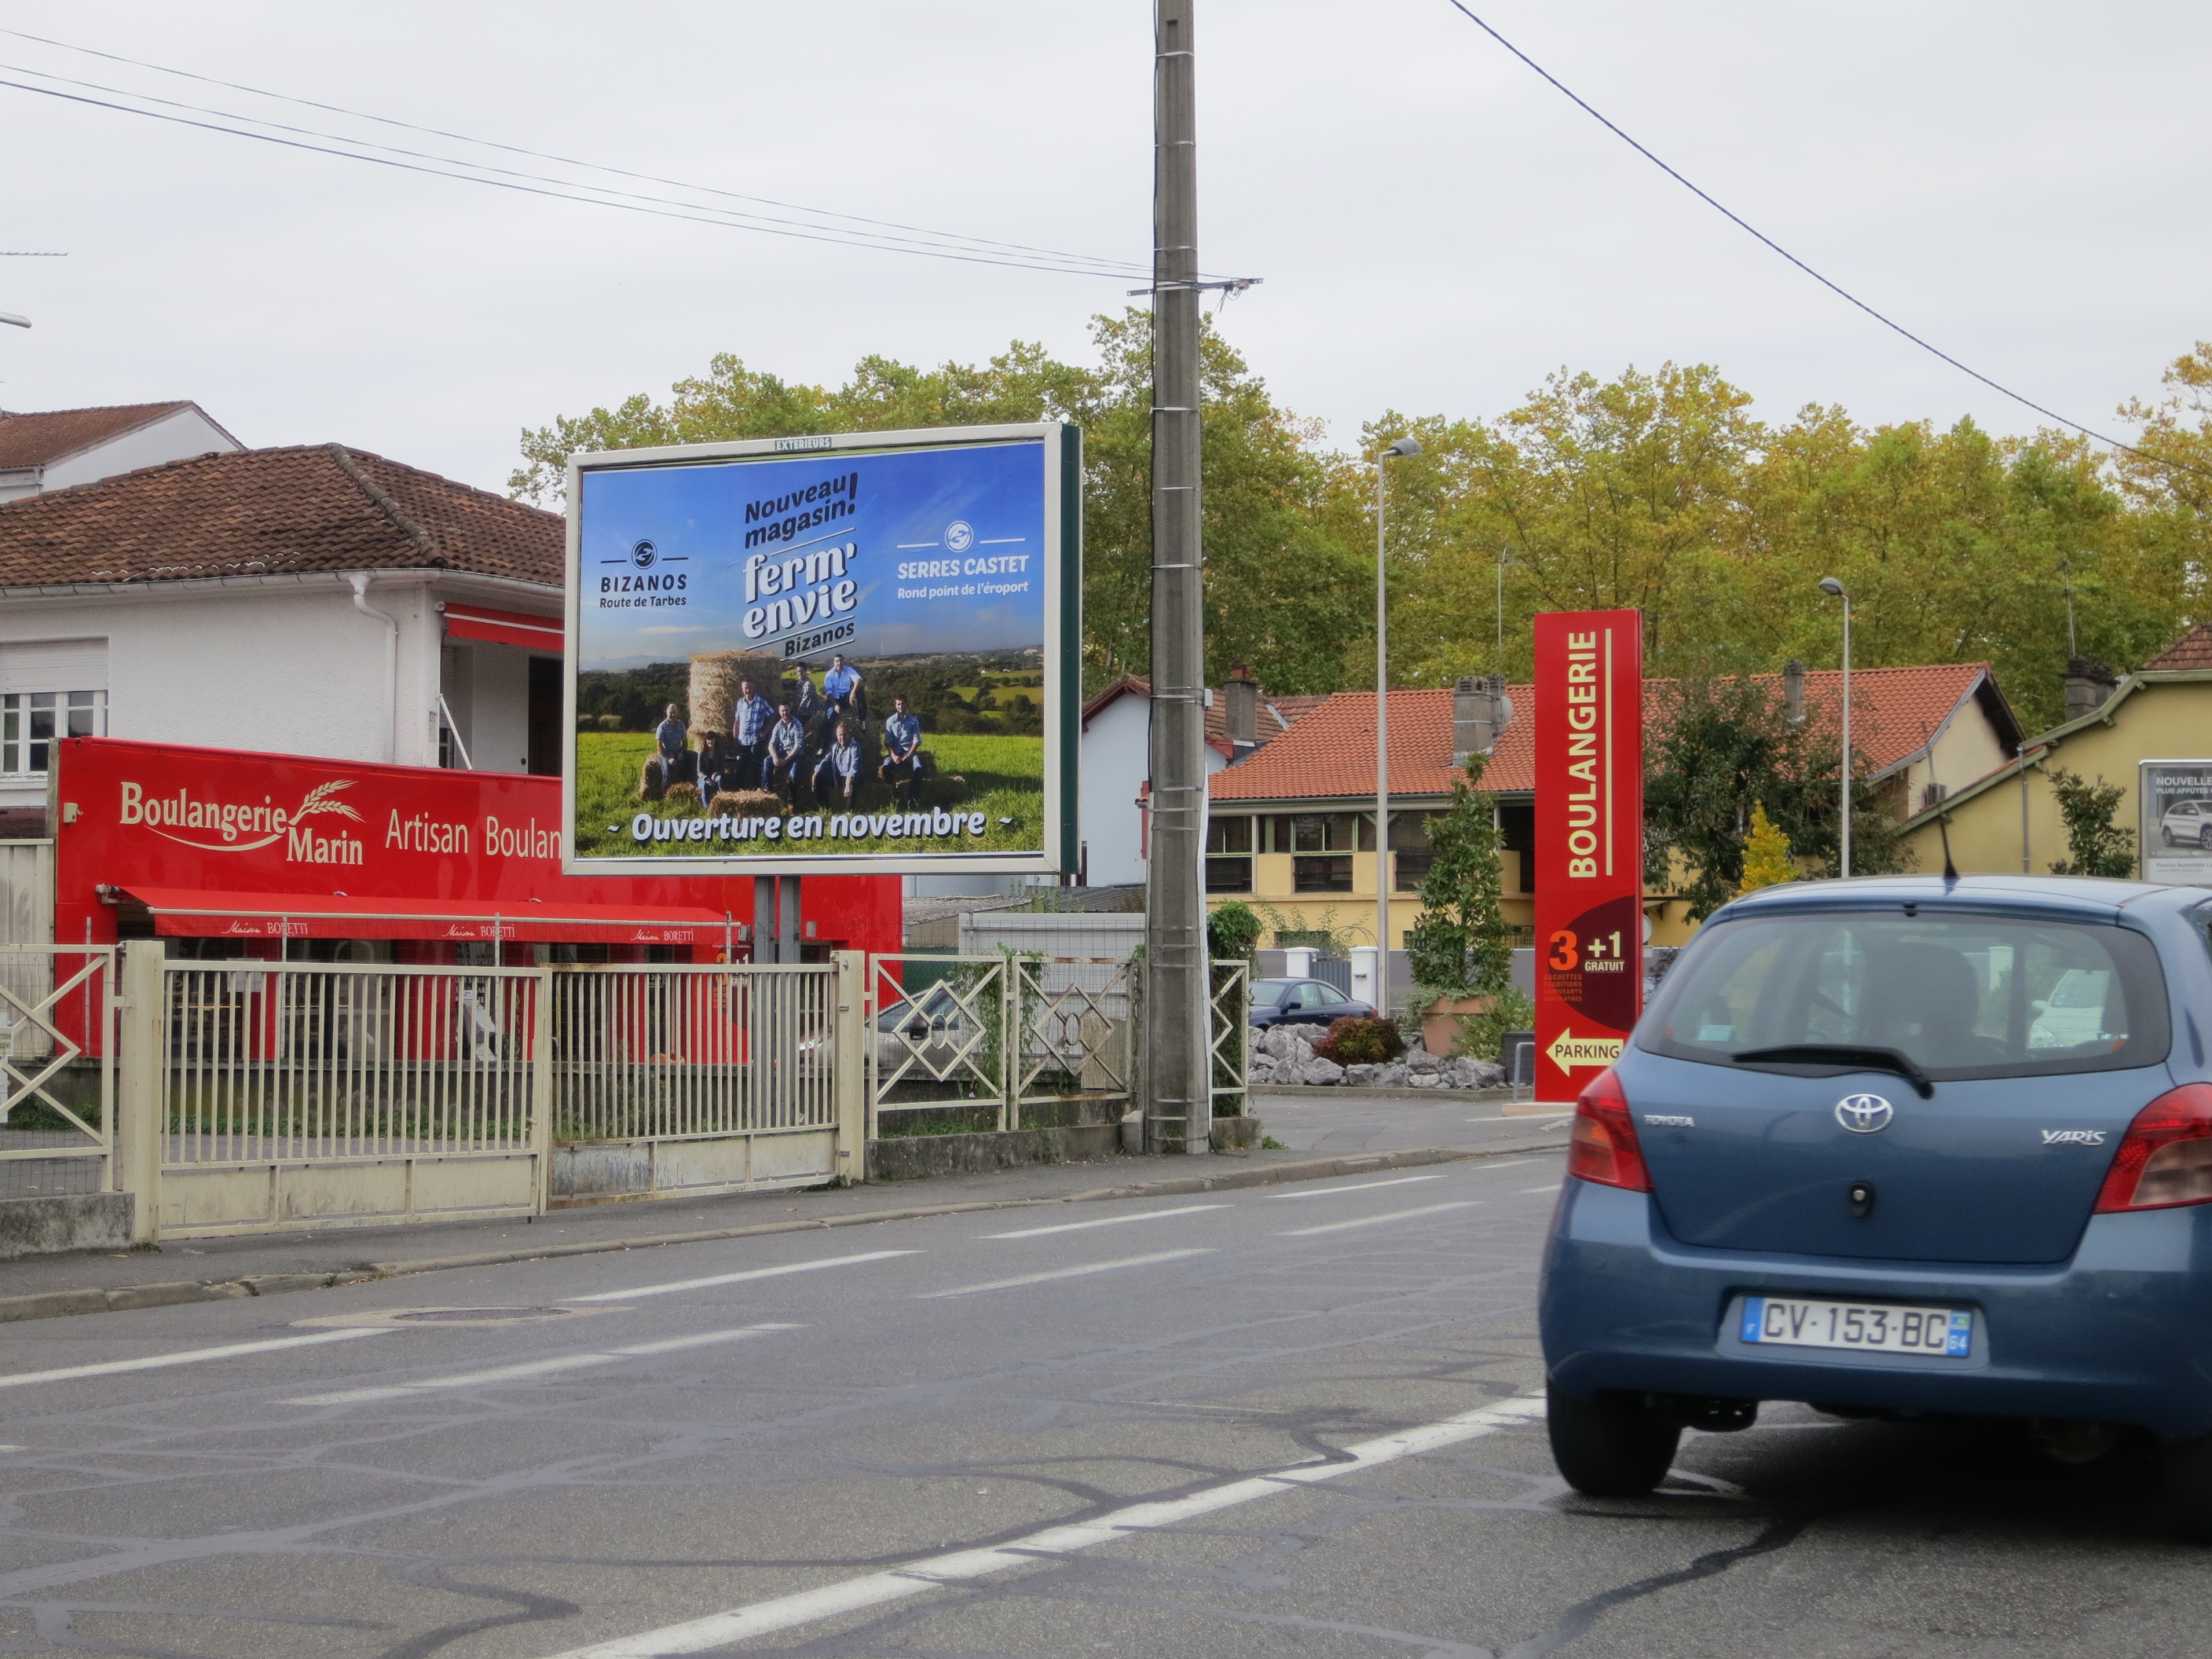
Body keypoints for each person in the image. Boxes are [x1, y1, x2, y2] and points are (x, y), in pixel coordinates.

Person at [878, 694, 924, 802]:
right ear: (895, 705)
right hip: (895, 753)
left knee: (919, 769)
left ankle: (911, 798)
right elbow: (888, 741)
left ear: (906, 704)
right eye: (898, 704)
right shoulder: (890, 721)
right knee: (885, 768)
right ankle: (895, 793)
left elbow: (917, 741)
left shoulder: (913, 721)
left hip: (910, 752)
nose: (901, 706)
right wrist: (893, 755)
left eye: (903, 703)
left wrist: (909, 755)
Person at [730, 678, 773, 789]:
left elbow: (772, 715)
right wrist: (735, 738)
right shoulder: (740, 703)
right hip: (742, 741)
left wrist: (765, 731)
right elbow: (737, 721)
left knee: (755, 767)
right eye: (745, 688)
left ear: (753, 688)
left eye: (749, 688)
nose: (747, 690)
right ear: (742, 689)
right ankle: (739, 791)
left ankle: (756, 790)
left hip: (756, 741)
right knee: (740, 766)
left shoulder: (761, 702)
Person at [812, 719, 862, 805]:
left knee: (853, 784)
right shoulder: (834, 747)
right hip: (838, 777)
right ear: (836, 736)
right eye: (840, 735)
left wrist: (848, 784)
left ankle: (850, 812)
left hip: (853, 777)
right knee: (819, 779)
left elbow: (855, 766)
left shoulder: (854, 747)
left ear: (849, 734)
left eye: (844, 735)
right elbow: (826, 760)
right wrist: (815, 773)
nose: (842, 738)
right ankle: (825, 807)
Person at [764, 701, 806, 802]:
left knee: (793, 775)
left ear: (790, 709)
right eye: (782, 711)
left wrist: (786, 761)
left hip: (795, 755)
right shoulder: (778, 726)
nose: (785, 713)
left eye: (786, 710)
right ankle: (768, 791)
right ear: (779, 712)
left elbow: (798, 746)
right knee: (767, 761)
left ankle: (791, 801)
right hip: (782, 753)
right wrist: (775, 757)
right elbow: (771, 744)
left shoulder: (797, 724)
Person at [653, 702, 689, 793]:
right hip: (665, 753)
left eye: (675, 712)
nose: (673, 714)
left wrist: (681, 752)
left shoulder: (680, 725)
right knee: (667, 774)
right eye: (671, 712)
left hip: (677, 751)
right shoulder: (662, 727)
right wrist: (669, 758)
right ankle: (665, 795)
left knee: (695, 757)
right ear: (667, 712)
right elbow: (659, 746)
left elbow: (685, 742)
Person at [822, 653, 866, 726]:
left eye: (841, 660)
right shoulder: (829, 675)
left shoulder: (849, 670)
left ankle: (862, 719)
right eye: (837, 661)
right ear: (833, 662)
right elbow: (829, 692)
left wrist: (853, 692)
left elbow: (859, 680)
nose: (839, 663)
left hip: (846, 698)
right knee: (830, 716)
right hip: (834, 699)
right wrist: (835, 704)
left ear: (843, 661)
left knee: (860, 690)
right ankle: (824, 736)